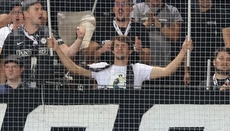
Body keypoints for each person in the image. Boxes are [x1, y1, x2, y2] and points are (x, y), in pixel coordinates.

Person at [52, 33, 193, 89]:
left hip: (130, 112)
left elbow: (167, 71)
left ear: (130, 51)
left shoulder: (138, 69)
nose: (119, 49)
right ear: (112, 50)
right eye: (117, 46)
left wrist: (182, 51)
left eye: (123, 46)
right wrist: (57, 49)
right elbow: (74, 68)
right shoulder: (102, 68)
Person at [131, 0, 182, 66]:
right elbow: (130, 35)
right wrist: (147, 24)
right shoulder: (137, 9)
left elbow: (175, 36)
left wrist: (160, 26)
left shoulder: (173, 11)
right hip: (141, 64)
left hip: (164, 64)